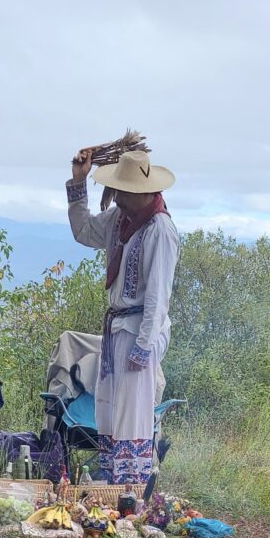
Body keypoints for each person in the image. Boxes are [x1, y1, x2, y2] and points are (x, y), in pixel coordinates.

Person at [66, 148, 179, 484]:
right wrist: (78, 181)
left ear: (139, 191)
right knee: (110, 409)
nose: (116, 195)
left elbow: (159, 295)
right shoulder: (120, 219)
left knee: (132, 413)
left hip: (139, 329)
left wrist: (144, 346)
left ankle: (130, 489)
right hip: (117, 328)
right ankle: (112, 486)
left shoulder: (160, 229)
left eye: (121, 189)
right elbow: (84, 231)